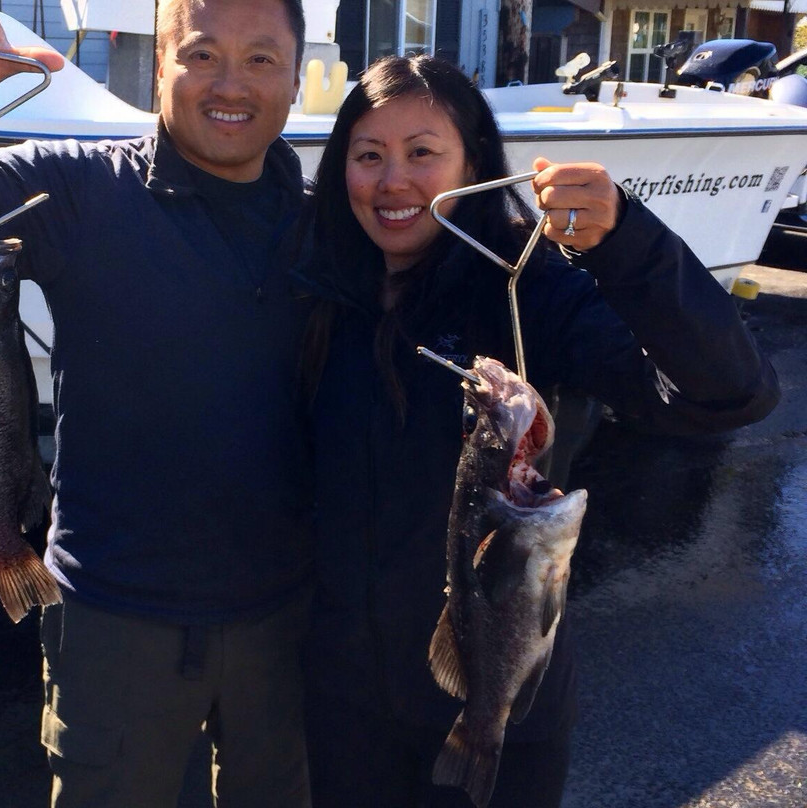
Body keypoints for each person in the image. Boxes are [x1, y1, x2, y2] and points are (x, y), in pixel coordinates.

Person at [0, 0, 317, 805]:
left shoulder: (325, 224)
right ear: (158, 66)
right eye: (200, 55)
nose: (230, 83)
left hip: (287, 621)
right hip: (111, 617)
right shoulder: (80, 187)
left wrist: (608, 232)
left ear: (298, 78)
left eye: (262, 59)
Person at [296, 55, 779, 808]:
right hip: (341, 708)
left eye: (423, 153)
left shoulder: (525, 284)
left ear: (476, 164)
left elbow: (726, 394)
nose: (392, 181)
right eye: (368, 156)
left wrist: (629, 244)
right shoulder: (319, 284)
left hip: (501, 697)